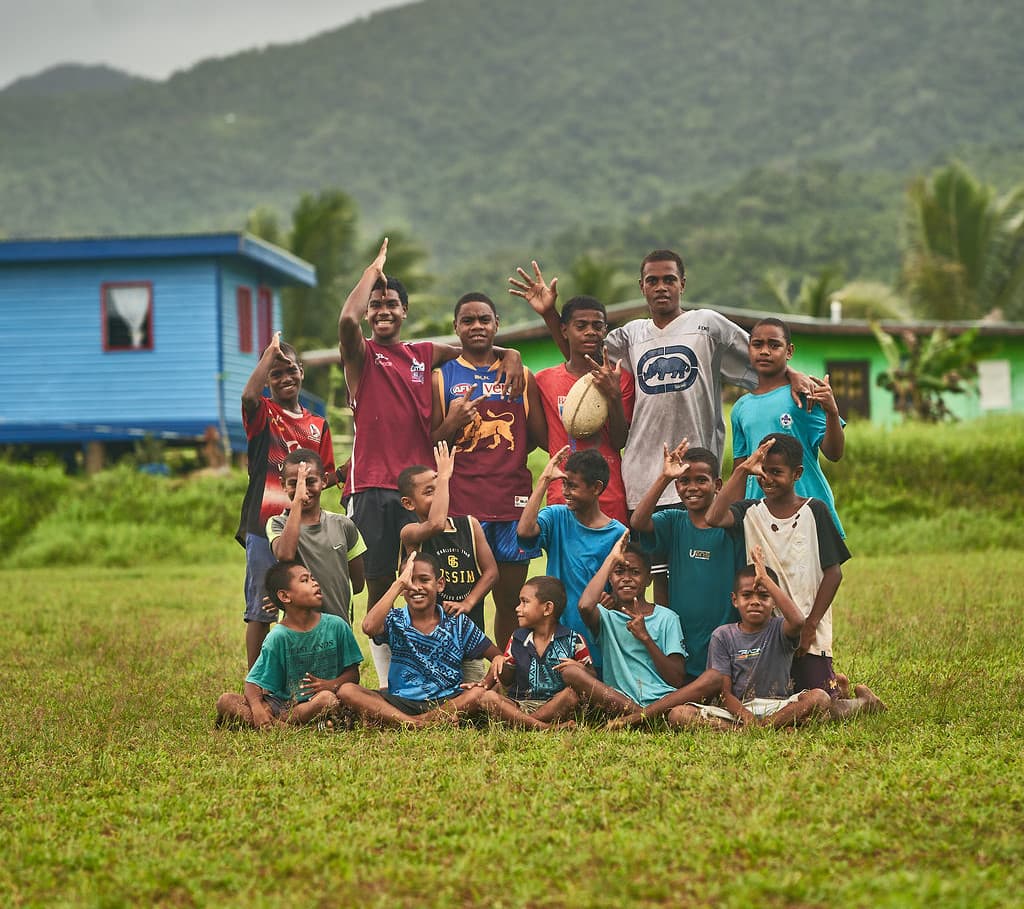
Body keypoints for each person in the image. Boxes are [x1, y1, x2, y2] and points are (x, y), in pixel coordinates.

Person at [511, 252, 809, 603]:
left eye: (669, 279)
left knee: (703, 569)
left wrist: (794, 374)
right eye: (652, 281)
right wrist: (549, 314)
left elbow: (761, 354)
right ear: (642, 287)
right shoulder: (631, 335)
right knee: (653, 577)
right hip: (643, 478)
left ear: (683, 283)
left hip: (696, 473)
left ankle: (707, 635)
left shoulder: (707, 324)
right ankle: (663, 636)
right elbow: (584, 355)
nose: (661, 287)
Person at [339, 241, 523, 680]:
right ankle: (389, 680)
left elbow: (476, 346)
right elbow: (346, 319)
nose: (383, 310)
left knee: (424, 580)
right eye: (376, 304)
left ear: (405, 311)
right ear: (368, 313)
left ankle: (435, 670)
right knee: (382, 583)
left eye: (392, 304)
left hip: (422, 490)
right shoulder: (361, 354)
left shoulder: (423, 353)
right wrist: (373, 271)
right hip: (371, 487)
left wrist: (512, 354)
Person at [706, 433, 885, 718]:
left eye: (776, 472)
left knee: (820, 710)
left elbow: (833, 574)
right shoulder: (750, 511)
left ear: (797, 474)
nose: (767, 479)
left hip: (808, 627)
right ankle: (836, 686)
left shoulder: (815, 510)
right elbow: (713, 517)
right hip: (767, 632)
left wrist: (811, 624)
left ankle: (861, 701)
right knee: (783, 702)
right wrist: (742, 470)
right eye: (763, 471)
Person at [431, 292, 546, 649]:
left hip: (512, 504)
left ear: (497, 324)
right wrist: (453, 422)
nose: (477, 326)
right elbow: (431, 443)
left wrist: (505, 455)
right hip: (462, 506)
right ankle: (465, 672)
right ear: (456, 327)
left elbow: (537, 437)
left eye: (484, 319)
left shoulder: (521, 375)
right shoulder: (441, 377)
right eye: (468, 320)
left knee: (511, 602)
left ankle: (507, 670)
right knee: (461, 599)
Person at [237, 331, 335, 668]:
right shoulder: (263, 412)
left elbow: (325, 477)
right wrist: (271, 352)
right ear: (267, 379)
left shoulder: (318, 425)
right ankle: (256, 682)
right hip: (264, 526)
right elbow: (248, 395)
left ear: (301, 371)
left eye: (290, 369)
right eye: (275, 374)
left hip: (305, 529)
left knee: (304, 602)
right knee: (261, 609)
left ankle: (304, 674)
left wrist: (344, 473)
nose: (285, 378)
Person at [667, 546, 831, 730]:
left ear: (774, 601)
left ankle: (766, 725)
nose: (755, 602)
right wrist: (746, 716)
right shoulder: (723, 635)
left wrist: (766, 580)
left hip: (778, 707)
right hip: (737, 711)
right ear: (735, 600)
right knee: (679, 714)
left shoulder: (780, 628)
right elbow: (723, 692)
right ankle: (756, 728)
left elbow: (799, 621)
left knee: (820, 697)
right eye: (746, 595)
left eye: (764, 596)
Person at [336, 552, 501, 727]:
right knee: (347, 690)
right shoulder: (394, 619)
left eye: (424, 580)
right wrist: (398, 585)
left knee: (477, 694)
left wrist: (492, 671)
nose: (416, 587)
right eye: (409, 581)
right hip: (400, 701)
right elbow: (368, 627)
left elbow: (497, 657)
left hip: (447, 701)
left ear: (440, 584)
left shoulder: (457, 621)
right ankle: (418, 723)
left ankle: (411, 722)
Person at [630, 441, 744, 682]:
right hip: (684, 636)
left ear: (717, 485)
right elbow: (638, 522)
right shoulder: (674, 520)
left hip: (725, 634)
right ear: (677, 486)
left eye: (701, 480)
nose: (692, 488)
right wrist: (664, 477)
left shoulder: (731, 524)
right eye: (684, 481)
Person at [732, 317, 846, 535]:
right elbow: (741, 469)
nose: (765, 351)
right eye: (757, 344)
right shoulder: (741, 407)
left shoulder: (805, 394)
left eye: (774, 345)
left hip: (807, 508)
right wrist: (734, 517)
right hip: (760, 515)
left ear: (789, 351)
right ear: (749, 349)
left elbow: (834, 453)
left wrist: (832, 412)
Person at [516, 447, 627, 670]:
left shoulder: (617, 534)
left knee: (591, 680)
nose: (565, 491)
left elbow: (623, 587)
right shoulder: (556, 516)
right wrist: (544, 480)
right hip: (555, 629)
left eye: (573, 486)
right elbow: (525, 533)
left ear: (596, 488)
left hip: (594, 631)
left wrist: (613, 598)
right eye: (564, 484)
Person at [215, 560, 362, 729]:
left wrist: (331, 684)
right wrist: (257, 709)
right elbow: (252, 684)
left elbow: (353, 674)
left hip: (318, 701)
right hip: (282, 705)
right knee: (226, 701)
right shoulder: (278, 637)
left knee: (327, 700)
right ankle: (292, 725)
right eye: (305, 580)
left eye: (313, 579)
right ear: (285, 596)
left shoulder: (336, 626)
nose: (314, 583)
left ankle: (277, 726)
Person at [528, 294, 634, 526]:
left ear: (605, 331)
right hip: (562, 496)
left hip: (608, 494)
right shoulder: (544, 380)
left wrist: (613, 395)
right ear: (564, 330)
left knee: (613, 551)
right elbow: (544, 440)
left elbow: (619, 441)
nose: (590, 332)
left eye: (597, 326)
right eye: (581, 326)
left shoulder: (621, 378)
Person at [398, 441, 499, 682]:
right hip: (426, 646)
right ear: (409, 503)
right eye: (429, 492)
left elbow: (491, 572)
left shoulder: (470, 525)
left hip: (467, 641)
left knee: (472, 697)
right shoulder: (410, 533)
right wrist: (443, 477)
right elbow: (435, 523)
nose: (439, 494)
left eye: (440, 488)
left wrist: (468, 602)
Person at [557, 533, 687, 716]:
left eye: (635, 572)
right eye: (618, 572)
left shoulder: (667, 618)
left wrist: (645, 638)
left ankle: (644, 715)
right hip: (620, 703)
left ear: (648, 579)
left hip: (661, 700)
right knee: (571, 672)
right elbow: (585, 606)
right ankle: (641, 715)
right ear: (610, 579)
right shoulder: (606, 616)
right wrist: (612, 559)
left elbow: (676, 679)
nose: (626, 578)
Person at [478, 576, 592, 730]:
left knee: (571, 695)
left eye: (524, 602)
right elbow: (507, 679)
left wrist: (581, 668)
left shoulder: (573, 640)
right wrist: (499, 662)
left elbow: (592, 681)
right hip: (519, 705)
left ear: (547, 608)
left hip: (555, 705)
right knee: (489, 698)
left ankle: (524, 723)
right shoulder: (518, 638)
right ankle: (545, 728)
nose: (517, 608)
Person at [267, 449, 366, 622]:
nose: (303, 490)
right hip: (297, 629)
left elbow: (357, 584)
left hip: (338, 626)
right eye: (295, 484)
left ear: (324, 481)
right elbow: (285, 555)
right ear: (283, 485)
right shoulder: (277, 523)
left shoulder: (343, 525)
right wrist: (297, 502)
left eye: (310, 481)